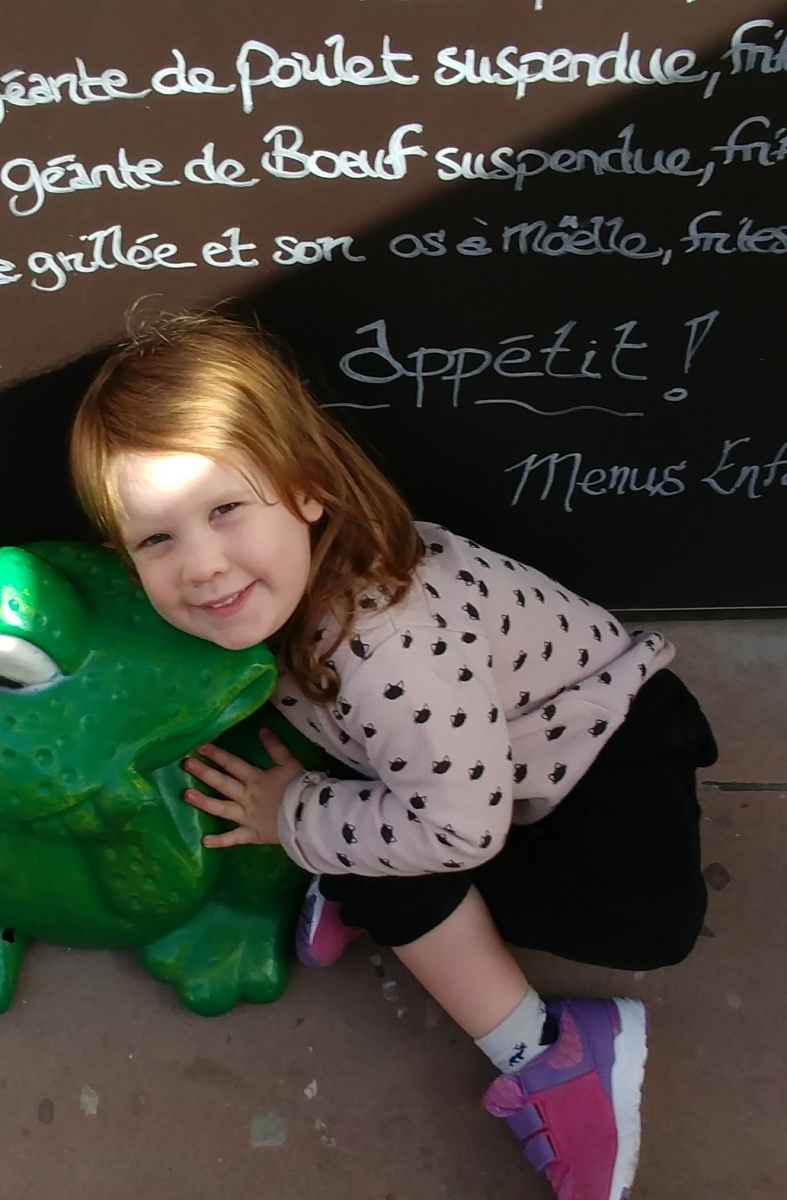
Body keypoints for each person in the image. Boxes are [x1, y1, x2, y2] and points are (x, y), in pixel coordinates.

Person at [69, 310, 717, 1200]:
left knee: (631, 920)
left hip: (605, 745)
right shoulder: (278, 590)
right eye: (156, 539)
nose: (203, 565)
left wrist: (294, 816)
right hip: (466, 762)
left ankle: (552, 1055)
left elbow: (457, 831)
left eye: (225, 510)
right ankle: (366, 875)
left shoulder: (387, 646)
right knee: (382, 844)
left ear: (305, 490)